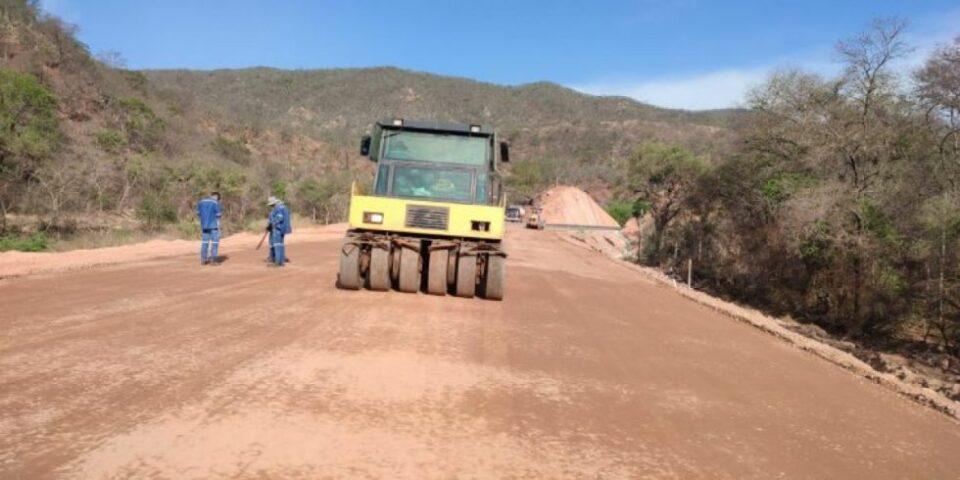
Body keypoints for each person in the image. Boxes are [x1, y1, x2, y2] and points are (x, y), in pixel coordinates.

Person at [197, 192, 223, 265]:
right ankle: (213, 260)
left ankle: (203, 259)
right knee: (215, 243)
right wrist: (219, 227)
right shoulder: (215, 203)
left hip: (204, 226)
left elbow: (198, 213)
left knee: (204, 243)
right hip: (213, 226)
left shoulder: (201, 202)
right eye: (218, 199)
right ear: (217, 197)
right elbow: (218, 215)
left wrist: (203, 221)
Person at [266, 196, 291, 267]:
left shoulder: (279, 208)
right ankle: (281, 261)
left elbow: (279, 218)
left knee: (277, 244)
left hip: (278, 228)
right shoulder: (282, 207)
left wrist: (271, 224)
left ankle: (277, 262)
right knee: (280, 244)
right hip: (281, 229)